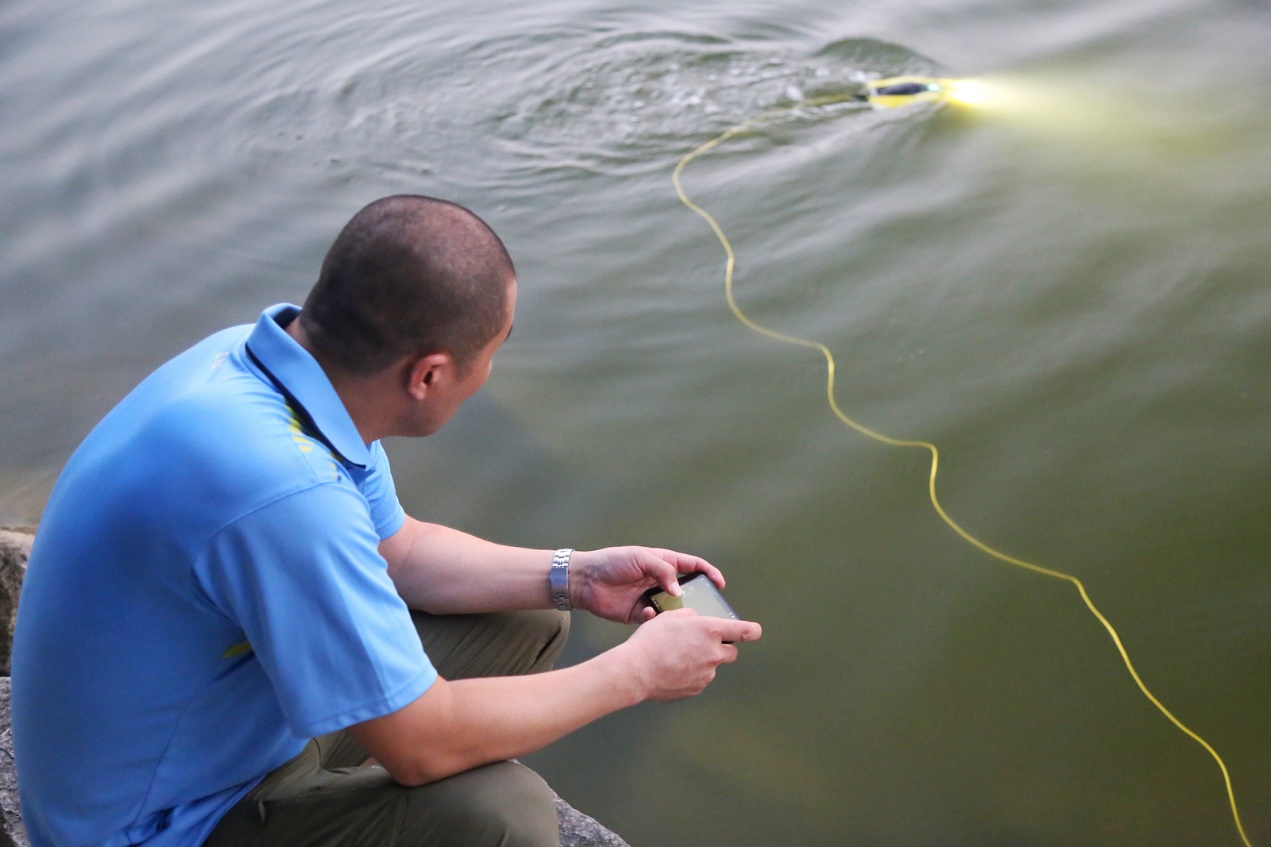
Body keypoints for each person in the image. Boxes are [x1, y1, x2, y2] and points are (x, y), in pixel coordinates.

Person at [10, 194, 762, 847]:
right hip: (155, 824)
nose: (489, 374)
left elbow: (400, 553)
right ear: (428, 374)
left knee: (528, 617)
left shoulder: (268, 368)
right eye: (491, 353)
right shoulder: (284, 492)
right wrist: (635, 672)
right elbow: (420, 745)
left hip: (217, 730)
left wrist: (577, 574)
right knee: (502, 815)